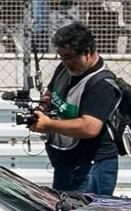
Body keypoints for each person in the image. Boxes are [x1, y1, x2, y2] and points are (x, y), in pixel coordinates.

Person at [27, 21, 122, 197]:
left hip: (91, 168)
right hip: (67, 163)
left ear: (87, 52)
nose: (66, 62)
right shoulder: (65, 68)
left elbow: (90, 127)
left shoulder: (101, 84)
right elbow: (50, 93)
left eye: (70, 56)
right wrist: (42, 108)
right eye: (62, 56)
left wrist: (48, 124)